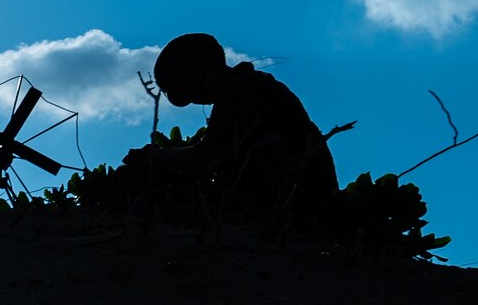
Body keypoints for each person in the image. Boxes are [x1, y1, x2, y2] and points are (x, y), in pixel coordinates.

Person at [123, 32, 339, 224]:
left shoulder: (242, 90)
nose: (193, 98)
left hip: (294, 206)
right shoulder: (249, 85)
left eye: (186, 87)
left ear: (200, 68)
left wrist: (156, 157)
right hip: (296, 201)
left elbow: (209, 155)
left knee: (154, 205)